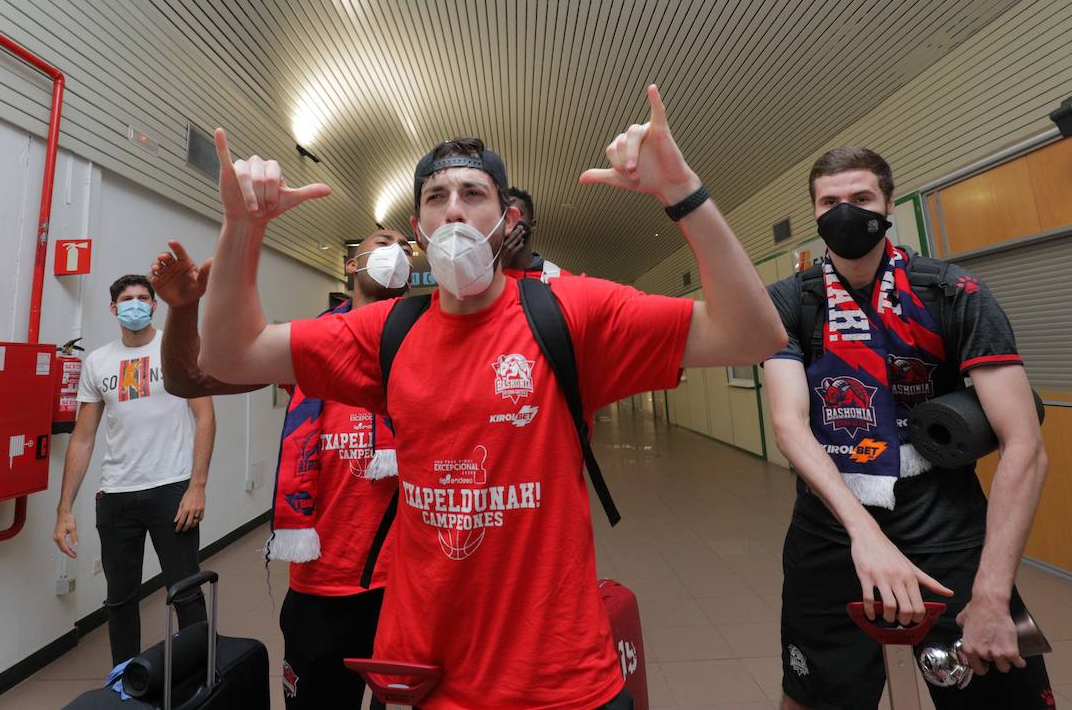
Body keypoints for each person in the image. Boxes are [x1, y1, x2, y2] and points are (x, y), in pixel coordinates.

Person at [197, 85, 786, 709]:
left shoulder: (571, 313)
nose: (453, 212)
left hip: (565, 681)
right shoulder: (388, 333)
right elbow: (231, 356)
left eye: (472, 194)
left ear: (507, 220)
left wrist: (682, 192)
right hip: (434, 679)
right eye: (435, 198)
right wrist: (243, 229)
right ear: (418, 231)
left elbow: (752, 335)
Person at [761, 147, 1052, 710]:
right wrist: (863, 535)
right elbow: (789, 424)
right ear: (815, 213)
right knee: (813, 695)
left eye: (862, 199)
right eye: (830, 202)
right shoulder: (788, 301)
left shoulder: (953, 292)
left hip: (945, 519)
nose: (846, 212)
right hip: (830, 526)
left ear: (889, 204)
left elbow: (1025, 446)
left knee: (1003, 690)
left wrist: (992, 591)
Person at [150, 231, 413, 710]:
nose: (397, 250)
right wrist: (184, 308)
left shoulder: (429, 341)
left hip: (412, 580)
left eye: (405, 244)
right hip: (324, 584)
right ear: (352, 265)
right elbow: (187, 378)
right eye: (384, 240)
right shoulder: (308, 345)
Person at [53, 274, 216, 668]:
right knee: (120, 598)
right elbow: (83, 438)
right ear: (113, 309)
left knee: (186, 591)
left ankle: (203, 675)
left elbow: (205, 417)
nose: (136, 305)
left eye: (144, 298)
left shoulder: (177, 349)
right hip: (117, 496)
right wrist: (64, 508)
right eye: (127, 299)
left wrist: (197, 486)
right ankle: (127, 680)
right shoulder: (99, 362)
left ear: (154, 306)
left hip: (172, 490)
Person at [500, 187, 569, 281]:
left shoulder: (560, 277)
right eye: (503, 215)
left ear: (532, 225)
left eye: (516, 213)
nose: (508, 221)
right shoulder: (484, 278)